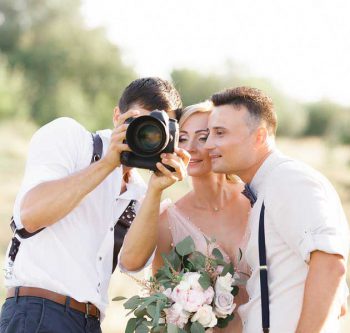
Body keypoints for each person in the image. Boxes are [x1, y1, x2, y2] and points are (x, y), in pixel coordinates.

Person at [0, 77, 188, 333]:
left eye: (156, 130)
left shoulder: (142, 194)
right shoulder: (71, 138)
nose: (145, 135)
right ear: (116, 116)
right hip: (38, 312)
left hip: (90, 323)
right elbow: (30, 215)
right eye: (139, 123)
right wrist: (107, 164)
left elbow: (131, 263)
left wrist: (157, 188)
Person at [204, 86, 349, 333]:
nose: (208, 144)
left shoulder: (289, 180)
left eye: (219, 133)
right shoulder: (269, 186)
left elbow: (330, 266)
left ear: (259, 136)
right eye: (209, 134)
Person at [147, 101, 251, 332]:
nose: (190, 148)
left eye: (202, 137)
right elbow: (161, 304)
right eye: (182, 139)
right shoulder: (168, 223)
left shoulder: (257, 202)